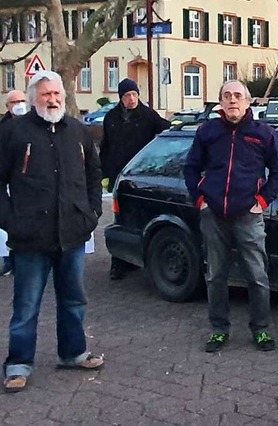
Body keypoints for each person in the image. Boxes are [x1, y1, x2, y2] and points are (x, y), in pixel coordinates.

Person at [0, 71, 104, 393]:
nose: (53, 99)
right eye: (46, 94)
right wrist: (11, 221)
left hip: (72, 233)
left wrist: (91, 214)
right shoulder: (14, 133)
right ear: (33, 98)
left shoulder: (78, 131)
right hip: (30, 237)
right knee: (27, 305)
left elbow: (93, 176)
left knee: (74, 299)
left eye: (57, 93)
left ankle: (73, 353)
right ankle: (18, 364)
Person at [184, 80, 278, 353]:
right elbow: (191, 168)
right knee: (216, 275)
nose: (232, 100)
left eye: (238, 96)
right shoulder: (208, 132)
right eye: (227, 96)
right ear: (220, 101)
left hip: (248, 216)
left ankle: (261, 330)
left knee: (257, 275)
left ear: (248, 102)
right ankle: (219, 330)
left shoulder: (263, 134)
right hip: (213, 214)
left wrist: (262, 201)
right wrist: (200, 199)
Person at [100, 78, 170, 280]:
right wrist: (103, 172)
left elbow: (165, 129)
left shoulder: (147, 115)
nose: (131, 99)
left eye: (134, 95)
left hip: (142, 175)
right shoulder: (111, 118)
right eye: (127, 96)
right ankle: (119, 262)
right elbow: (106, 147)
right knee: (120, 218)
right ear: (120, 98)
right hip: (119, 176)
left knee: (139, 216)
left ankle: (137, 256)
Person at [0, 90, 28, 276]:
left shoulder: (33, 125)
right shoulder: (3, 128)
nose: (19, 104)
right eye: (14, 102)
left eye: (22, 101)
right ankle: (9, 260)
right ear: (7, 106)